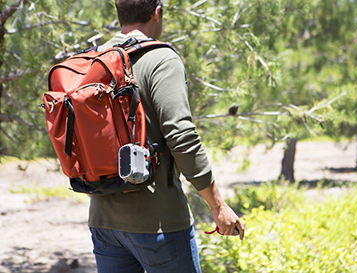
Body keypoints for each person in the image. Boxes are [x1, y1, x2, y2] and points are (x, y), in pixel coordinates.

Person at [88, 0, 245, 272]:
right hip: (158, 222)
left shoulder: (96, 59)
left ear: (119, 12)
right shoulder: (161, 58)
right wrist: (217, 205)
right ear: (157, 13)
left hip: (104, 220)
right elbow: (182, 136)